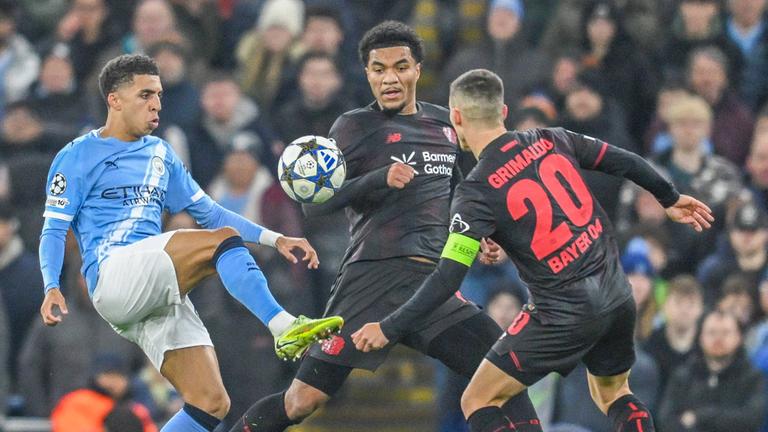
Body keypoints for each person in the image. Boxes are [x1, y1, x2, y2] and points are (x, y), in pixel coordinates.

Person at [352, 69, 715, 432]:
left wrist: (389, 327)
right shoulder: (552, 138)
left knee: (478, 399)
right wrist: (669, 196)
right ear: (504, 112)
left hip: (561, 312)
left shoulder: (475, 192)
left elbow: (448, 275)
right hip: (616, 294)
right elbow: (624, 161)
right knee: (615, 393)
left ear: (456, 117)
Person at [37, 54, 343, 432]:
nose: (157, 104)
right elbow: (53, 228)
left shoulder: (161, 154)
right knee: (222, 243)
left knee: (211, 403)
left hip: (153, 289)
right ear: (114, 99)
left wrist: (274, 237)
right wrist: (51, 285)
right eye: (145, 94)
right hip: (114, 274)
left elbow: (211, 213)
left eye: (160, 95)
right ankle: (283, 327)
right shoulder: (77, 155)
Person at [227, 21, 503, 432]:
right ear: (368, 74)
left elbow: (462, 192)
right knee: (302, 401)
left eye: (400, 66)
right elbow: (313, 207)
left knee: (501, 368)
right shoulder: (354, 127)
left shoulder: (446, 126)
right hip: (371, 278)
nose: (389, 78)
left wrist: (481, 234)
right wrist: (378, 178)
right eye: (378, 69)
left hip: (430, 281)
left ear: (417, 70)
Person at [657, 310, 766, 432]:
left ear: (739, 337)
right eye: (711, 332)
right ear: (700, 337)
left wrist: (699, 417)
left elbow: (751, 420)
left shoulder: (753, 378)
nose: (718, 339)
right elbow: (665, 420)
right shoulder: (683, 376)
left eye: (726, 333)